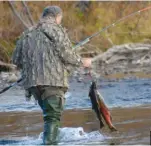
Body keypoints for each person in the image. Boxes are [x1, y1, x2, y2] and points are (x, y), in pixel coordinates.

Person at [12, 6, 91, 145]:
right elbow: (67, 55)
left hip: (33, 85)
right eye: (60, 19)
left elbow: (16, 60)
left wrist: (34, 65)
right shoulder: (56, 30)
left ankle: (52, 139)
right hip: (52, 82)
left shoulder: (27, 33)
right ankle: (49, 142)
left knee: (50, 117)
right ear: (57, 17)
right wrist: (82, 62)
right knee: (52, 117)